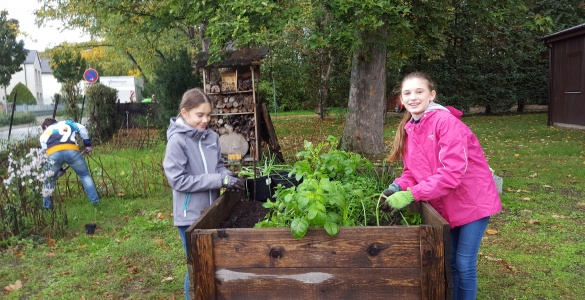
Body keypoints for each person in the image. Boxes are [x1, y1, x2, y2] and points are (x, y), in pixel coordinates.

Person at [379, 72, 502, 300]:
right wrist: (397, 187)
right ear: (401, 99)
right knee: (452, 263)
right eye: (407, 93)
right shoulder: (410, 129)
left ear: (431, 95)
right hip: (449, 204)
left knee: (464, 264)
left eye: (419, 91)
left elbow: (452, 173)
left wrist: (411, 195)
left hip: (473, 201)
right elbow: (411, 171)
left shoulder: (445, 122)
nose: (413, 97)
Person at [163, 88, 244, 300]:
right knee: (196, 266)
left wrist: (229, 177)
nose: (205, 120)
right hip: (189, 215)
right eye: (200, 115)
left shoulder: (211, 138)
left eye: (208, 115)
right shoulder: (177, 142)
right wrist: (219, 180)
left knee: (212, 262)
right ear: (184, 113)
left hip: (213, 210)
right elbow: (178, 180)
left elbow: (218, 168)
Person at [40, 118, 99, 209]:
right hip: (72, 150)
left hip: (53, 153)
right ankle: (95, 203)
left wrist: (58, 169)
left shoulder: (45, 132)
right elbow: (82, 128)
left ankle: (47, 208)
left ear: (45, 126)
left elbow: (46, 152)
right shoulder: (67, 123)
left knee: (48, 180)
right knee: (85, 176)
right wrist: (87, 144)